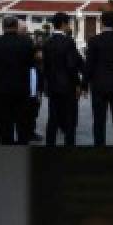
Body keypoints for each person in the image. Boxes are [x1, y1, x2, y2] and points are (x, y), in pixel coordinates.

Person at [0, 15, 35, 145]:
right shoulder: (26, 42)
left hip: (0, 91)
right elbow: (31, 64)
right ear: (16, 26)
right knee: (22, 125)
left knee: (6, 126)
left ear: (3, 27)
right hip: (21, 90)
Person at [84, 10, 113, 144]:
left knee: (99, 121)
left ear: (102, 22)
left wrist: (83, 84)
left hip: (99, 83)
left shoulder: (94, 41)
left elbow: (89, 64)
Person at [41, 12, 84, 146]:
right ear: (64, 24)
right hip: (68, 85)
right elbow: (71, 65)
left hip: (53, 85)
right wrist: (78, 84)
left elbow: (45, 67)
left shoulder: (47, 42)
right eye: (68, 23)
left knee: (53, 118)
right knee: (69, 119)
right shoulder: (68, 42)